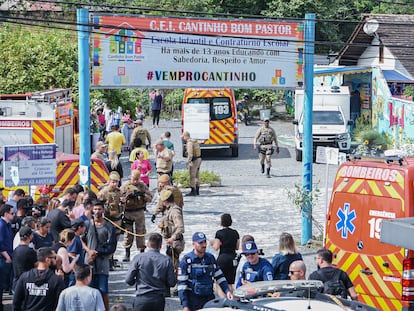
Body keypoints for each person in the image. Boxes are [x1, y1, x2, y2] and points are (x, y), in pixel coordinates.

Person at [177, 232, 233, 311]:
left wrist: (227, 291)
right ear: (193, 244)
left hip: (209, 300)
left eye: (205, 242)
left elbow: (220, 277)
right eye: (200, 243)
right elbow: (182, 285)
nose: (204, 245)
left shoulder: (210, 258)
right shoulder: (186, 261)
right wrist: (185, 305)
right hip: (193, 302)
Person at [125, 233, 176, 311]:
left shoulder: (138, 258)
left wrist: (138, 281)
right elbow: (172, 283)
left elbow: (128, 280)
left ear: (148, 244)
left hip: (142, 298)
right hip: (158, 299)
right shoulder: (166, 260)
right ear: (160, 246)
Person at [85, 200, 117, 311]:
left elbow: (112, 246)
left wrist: (98, 252)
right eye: (95, 209)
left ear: (103, 210)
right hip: (88, 262)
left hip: (102, 263)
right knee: (89, 290)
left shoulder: (109, 226)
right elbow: (81, 240)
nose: (97, 211)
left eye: (99, 209)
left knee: (103, 290)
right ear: (92, 210)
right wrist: (89, 251)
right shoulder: (88, 224)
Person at [13, 247, 66, 311]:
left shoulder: (25, 277)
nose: (55, 260)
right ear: (47, 260)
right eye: (54, 257)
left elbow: (16, 300)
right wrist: (61, 280)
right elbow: (61, 302)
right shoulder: (55, 280)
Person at [120, 169, 152, 261]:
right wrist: (125, 199)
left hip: (139, 212)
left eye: (137, 180)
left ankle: (141, 251)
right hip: (128, 212)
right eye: (133, 179)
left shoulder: (142, 186)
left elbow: (150, 198)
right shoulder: (125, 186)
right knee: (128, 233)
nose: (135, 181)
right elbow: (119, 197)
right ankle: (127, 252)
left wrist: (143, 195)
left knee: (140, 232)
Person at [98, 171, 124, 269]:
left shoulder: (119, 192)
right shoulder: (104, 192)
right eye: (113, 182)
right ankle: (108, 261)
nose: (114, 184)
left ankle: (112, 259)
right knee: (108, 241)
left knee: (115, 241)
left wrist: (123, 202)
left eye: (116, 182)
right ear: (109, 181)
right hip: (108, 220)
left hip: (117, 220)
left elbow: (122, 206)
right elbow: (98, 205)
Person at [211, 213, 240, 296]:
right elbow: (237, 247)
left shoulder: (219, 233)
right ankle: (230, 299)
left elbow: (216, 247)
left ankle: (223, 299)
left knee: (219, 281)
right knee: (230, 283)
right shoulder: (235, 233)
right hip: (232, 258)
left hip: (222, 258)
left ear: (221, 222)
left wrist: (212, 243)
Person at [157, 190, 184, 274]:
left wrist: (172, 238)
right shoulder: (169, 210)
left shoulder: (175, 211)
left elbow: (180, 227)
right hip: (171, 241)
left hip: (175, 242)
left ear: (166, 201)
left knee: (173, 265)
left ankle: (174, 283)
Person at [12, 226, 37, 292]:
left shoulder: (15, 250)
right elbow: (37, 265)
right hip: (27, 284)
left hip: (16, 283)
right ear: (30, 236)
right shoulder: (30, 251)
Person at [0, 204, 14, 311]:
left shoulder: (7, 225)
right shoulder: (2, 225)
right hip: (3, 258)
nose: (13, 215)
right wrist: (7, 256)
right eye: (12, 213)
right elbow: (0, 243)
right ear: (6, 214)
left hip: (7, 256)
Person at [181, 131, 202, 196]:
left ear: (186, 136)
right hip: (199, 159)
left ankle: (193, 190)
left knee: (192, 175)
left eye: (183, 136)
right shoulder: (194, 141)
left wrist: (188, 162)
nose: (183, 138)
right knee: (197, 175)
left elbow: (190, 154)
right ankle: (197, 190)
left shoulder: (189, 143)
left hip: (194, 160)